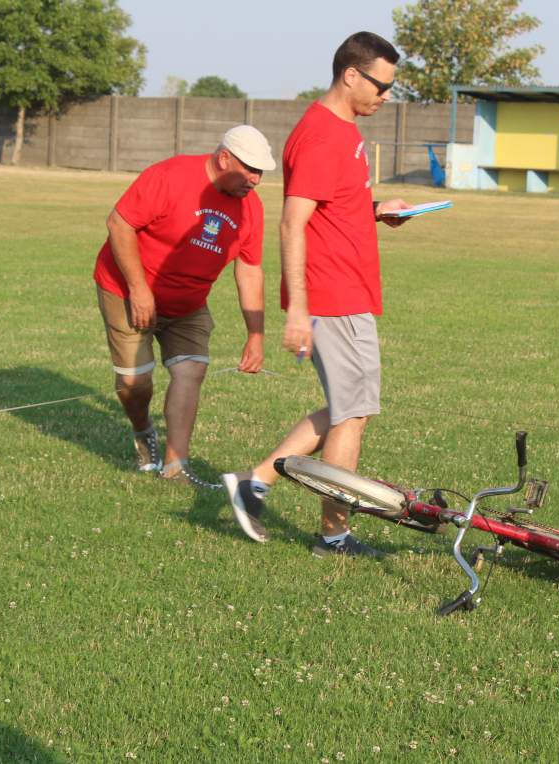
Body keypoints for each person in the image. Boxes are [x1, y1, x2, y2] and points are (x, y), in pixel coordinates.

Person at [223, 32, 412, 556]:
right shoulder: (321, 135)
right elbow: (291, 224)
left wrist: (377, 211)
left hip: (351, 290)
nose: (386, 96)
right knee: (351, 415)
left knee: (351, 408)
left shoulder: (345, 130)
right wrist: (300, 310)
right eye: (381, 85)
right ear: (351, 75)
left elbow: (335, 204)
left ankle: (256, 481)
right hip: (331, 295)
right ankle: (333, 535)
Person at [93, 125, 274, 487]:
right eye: (249, 169)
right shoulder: (171, 176)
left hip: (189, 303)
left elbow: (250, 271)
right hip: (127, 288)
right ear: (224, 158)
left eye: (261, 172)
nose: (255, 179)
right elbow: (119, 223)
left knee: (190, 371)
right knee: (135, 381)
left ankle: (175, 466)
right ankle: (143, 429)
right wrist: (139, 288)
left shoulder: (250, 209)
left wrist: (256, 333)